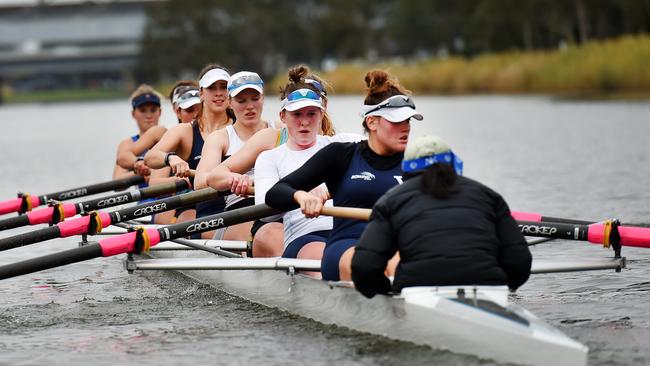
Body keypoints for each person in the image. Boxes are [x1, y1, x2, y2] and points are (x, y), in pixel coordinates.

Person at [265, 70, 420, 281]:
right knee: (378, 264)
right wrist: (301, 196)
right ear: (372, 122)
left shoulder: (414, 163)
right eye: (396, 122)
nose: (405, 129)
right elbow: (275, 194)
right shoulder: (341, 154)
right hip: (346, 245)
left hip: (390, 244)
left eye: (408, 122)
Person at [351, 135, 532, 297]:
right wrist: (504, 286)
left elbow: (363, 267)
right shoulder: (489, 196)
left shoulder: (390, 201)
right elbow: (520, 260)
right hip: (489, 290)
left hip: (418, 291)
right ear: (453, 163)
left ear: (406, 169)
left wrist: (385, 292)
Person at [203, 65, 336, 257]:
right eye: (297, 112)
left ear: (323, 106)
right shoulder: (272, 137)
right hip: (262, 213)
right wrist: (238, 179)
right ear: (286, 111)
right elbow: (211, 178)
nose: (304, 118)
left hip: (316, 221)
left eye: (311, 110)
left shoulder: (338, 143)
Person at [252, 66, 363, 266]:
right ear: (283, 117)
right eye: (297, 115)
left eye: (311, 114)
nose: (304, 122)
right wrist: (301, 196)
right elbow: (265, 213)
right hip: (308, 236)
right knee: (333, 260)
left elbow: (383, 150)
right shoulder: (270, 158)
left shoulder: (342, 144)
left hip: (351, 232)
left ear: (321, 114)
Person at [143, 65, 234, 225]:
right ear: (201, 93)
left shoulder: (243, 127)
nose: (219, 93)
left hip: (239, 207)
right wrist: (171, 158)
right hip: (199, 211)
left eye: (224, 87)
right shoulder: (185, 131)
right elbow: (150, 158)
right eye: (212, 88)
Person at [193, 71, 269, 240]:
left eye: (255, 99)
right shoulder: (220, 138)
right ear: (229, 103)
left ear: (263, 98)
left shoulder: (279, 130)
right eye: (241, 101)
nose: (249, 106)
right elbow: (199, 181)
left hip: (277, 206)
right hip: (240, 210)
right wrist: (232, 179)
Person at [112, 84, 164, 181]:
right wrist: (140, 171)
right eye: (143, 110)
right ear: (133, 114)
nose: (148, 115)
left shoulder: (168, 136)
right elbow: (117, 182)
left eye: (153, 110)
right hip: (145, 195)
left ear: (160, 112)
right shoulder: (128, 144)